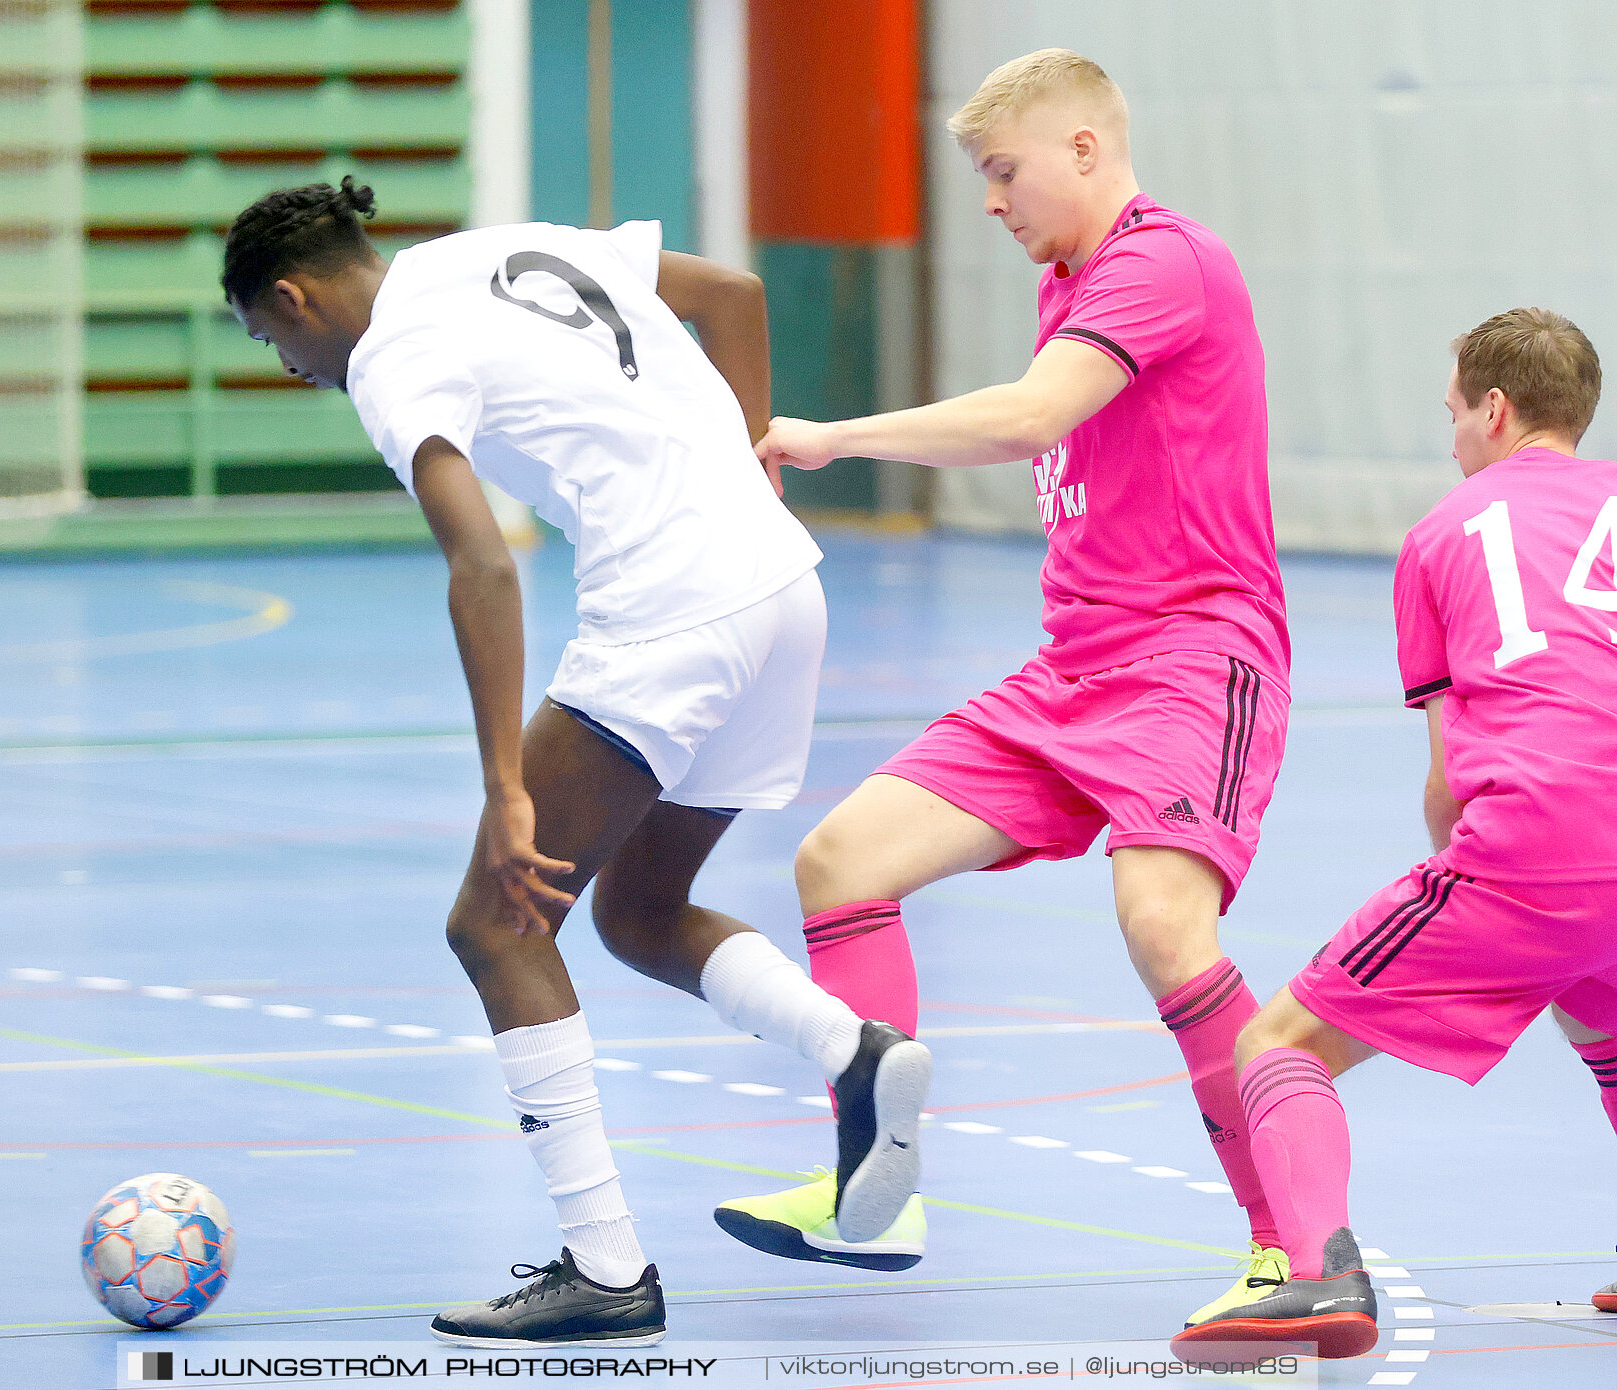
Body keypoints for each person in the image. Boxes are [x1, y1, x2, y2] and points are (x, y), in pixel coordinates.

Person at [220, 178, 931, 1348]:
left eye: (273, 342)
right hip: (783, 592)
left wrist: (507, 791)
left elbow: (484, 570)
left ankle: (605, 1269)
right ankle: (854, 1051)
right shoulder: (486, 250)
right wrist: (751, 465)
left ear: (294, 297)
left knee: (496, 923)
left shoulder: (391, 363)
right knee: (642, 912)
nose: (291, 366)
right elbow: (735, 293)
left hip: (671, 612)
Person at [715, 49, 1295, 1329]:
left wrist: (838, 434)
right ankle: (879, 1185)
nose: (992, 201)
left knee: (1162, 928)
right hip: (1071, 671)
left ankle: (1293, 1244)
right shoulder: (1070, 283)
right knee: (840, 859)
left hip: (1195, 656)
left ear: (1085, 148)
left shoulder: (1162, 261)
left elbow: (1036, 419)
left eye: (1003, 171)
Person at [1173, 308, 1617, 1359]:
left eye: (1454, 409)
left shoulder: (1440, 534)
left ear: (1496, 410)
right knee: (1601, 1022)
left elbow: (1450, 779)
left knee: (1277, 1041)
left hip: (1533, 840)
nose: (1452, 433)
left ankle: (1325, 1276)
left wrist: (1474, 888)